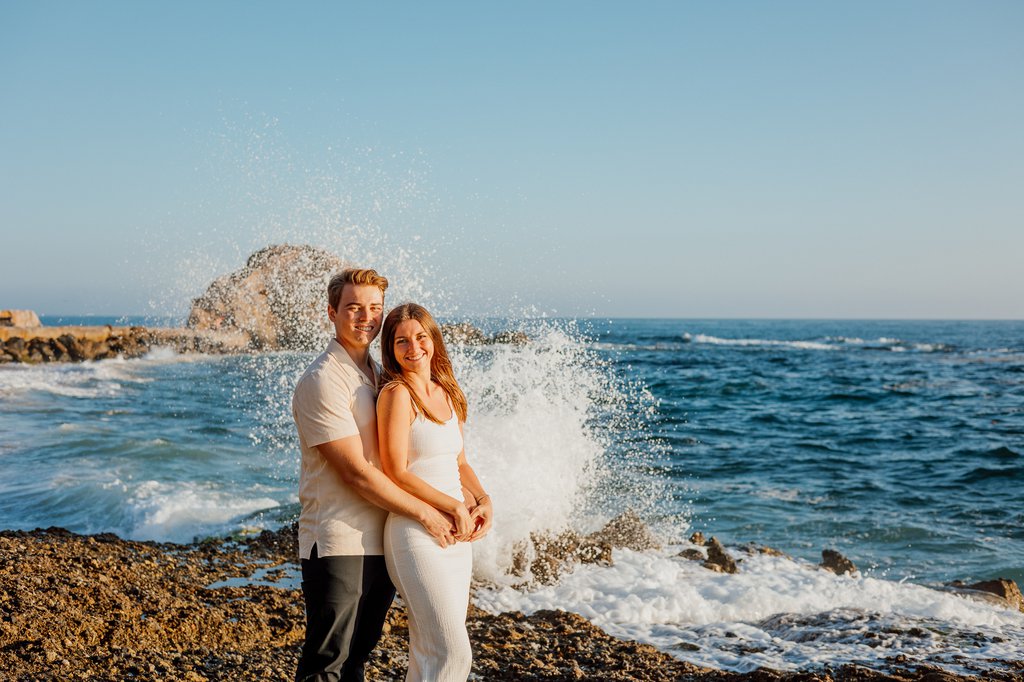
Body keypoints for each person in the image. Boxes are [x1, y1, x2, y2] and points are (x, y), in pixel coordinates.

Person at [292, 269, 455, 682]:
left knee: (359, 656)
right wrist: (427, 513)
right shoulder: (322, 380)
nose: (366, 317)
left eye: (375, 309)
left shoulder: (380, 376)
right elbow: (357, 474)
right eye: (353, 308)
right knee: (327, 661)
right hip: (338, 538)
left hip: (382, 535)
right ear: (331, 312)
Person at [376, 303, 494, 682]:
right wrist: (453, 506)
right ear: (390, 349)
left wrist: (482, 499)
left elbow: (459, 464)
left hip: (457, 538)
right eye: (402, 341)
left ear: (433, 340)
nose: (413, 348)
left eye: (421, 337)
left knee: (428, 654)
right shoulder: (396, 394)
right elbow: (395, 470)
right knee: (453, 653)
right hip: (415, 533)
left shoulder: (448, 392)